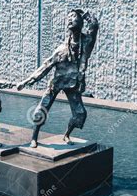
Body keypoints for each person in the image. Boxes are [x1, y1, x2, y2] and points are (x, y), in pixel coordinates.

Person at [16, 9, 99, 148]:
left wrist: (85, 14)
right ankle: (34, 137)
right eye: (69, 17)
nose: (70, 19)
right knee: (41, 110)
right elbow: (44, 68)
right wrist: (25, 82)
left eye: (74, 17)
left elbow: (94, 26)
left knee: (80, 114)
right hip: (57, 83)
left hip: (73, 84)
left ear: (81, 22)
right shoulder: (60, 50)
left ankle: (66, 134)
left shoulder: (86, 43)